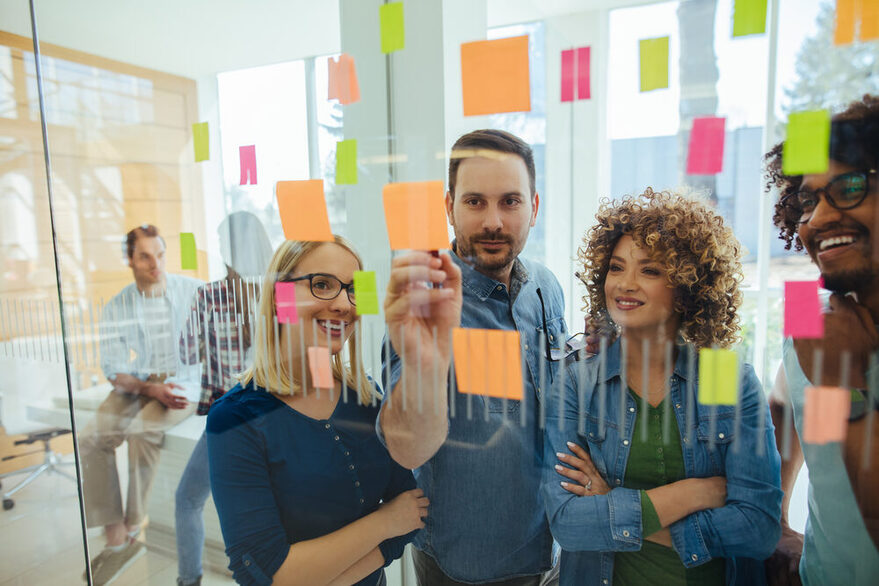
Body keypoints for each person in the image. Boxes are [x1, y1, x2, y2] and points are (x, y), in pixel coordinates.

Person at [542, 189, 782, 586]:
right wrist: (690, 495)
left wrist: (611, 505)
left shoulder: (728, 377)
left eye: (649, 270)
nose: (625, 284)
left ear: (688, 287)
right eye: (616, 268)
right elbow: (568, 524)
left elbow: (758, 529)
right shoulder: (577, 383)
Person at [380, 129, 567, 585]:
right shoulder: (425, 302)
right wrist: (426, 366)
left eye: (510, 201)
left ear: (534, 207)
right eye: (475, 202)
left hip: (553, 546)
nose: (494, 222)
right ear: (449, 207)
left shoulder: (546, 286)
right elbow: (406, 449)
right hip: (468, 564)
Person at [207, 237, 426, 586]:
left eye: (354, 290)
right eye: (322, 285)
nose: (343, 303)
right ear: (281, 298)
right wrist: (385, 522)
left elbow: (411, 512)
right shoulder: (234, 419)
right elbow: (265, 572)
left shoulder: (366, 397)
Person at [764, 94, 879, 585]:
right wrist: (779, 524)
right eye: (809, 200)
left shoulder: (837, 359)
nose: (819, 218)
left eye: (849, 187)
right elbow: (787, 411)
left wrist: (844, 384)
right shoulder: (811, 321)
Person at [81, 224, 203, 585]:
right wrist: (148, 389)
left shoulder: (192, 291)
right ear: (129, 260)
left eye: (161, 254)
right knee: (89, 439)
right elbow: (114, 368)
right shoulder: (120, 304)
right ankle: (115, 532)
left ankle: (135, 526)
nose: (156, 264)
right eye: (145, 257)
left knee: (143, 431)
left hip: (183, 380)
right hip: (140, 383)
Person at [174, 211, 273, 586]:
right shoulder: (281, 290)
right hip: (277, 414)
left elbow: (185, 353)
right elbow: (297, 349)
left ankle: (189, 580)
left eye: (219, 242)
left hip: (230, 422)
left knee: (188, 500)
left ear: (229, 249)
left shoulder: (210, 295)